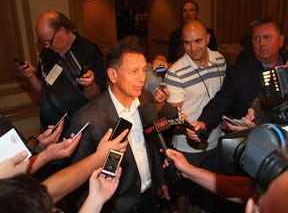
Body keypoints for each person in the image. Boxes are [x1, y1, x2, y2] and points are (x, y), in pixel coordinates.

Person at [67, 37, 168, 212]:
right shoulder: (86, 119)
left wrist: (160, 179)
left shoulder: (146, 99)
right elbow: (78, 184)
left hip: (150, 199)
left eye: (144, 70)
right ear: (113, 75)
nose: (141, 78)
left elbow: (151, 145)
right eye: (134, 71)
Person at [154, 20, 226, 213]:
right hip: (188, 144)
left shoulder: (220, 60)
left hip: (216, 138)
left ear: (208, 39)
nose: (192, 48)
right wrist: (181, 122)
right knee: (182, 186)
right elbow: (174, 116)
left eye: (198, 41)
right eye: (187, 43)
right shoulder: (175, 72)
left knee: (212, 184)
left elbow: (225, 97)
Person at [189, 17, 287, 139]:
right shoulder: (239, 73)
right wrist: (204, 122)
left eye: (267, 37)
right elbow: (220, 102)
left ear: (281, 40)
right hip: (250, 146)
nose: (261, 43)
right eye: (256, 38)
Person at [16, 11, 106, 137]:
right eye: (43, 42)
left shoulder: (89, 51)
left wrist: (89, 84)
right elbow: (42, 89)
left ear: (62, 31)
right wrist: (30, 76)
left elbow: (97, 97)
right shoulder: (47, 54)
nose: (46, 46)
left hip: (78, 129)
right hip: (50, 129)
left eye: (48, 41)